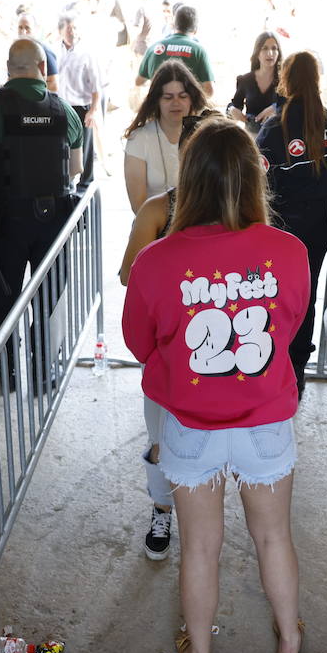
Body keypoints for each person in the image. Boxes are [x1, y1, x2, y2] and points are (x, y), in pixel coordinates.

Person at [121, 117, 310, 653]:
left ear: (189, 180)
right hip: (265, 419)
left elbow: (136, 341)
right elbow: (292, 326)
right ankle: (290, 635)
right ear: (256, 179)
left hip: (191, 425)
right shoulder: (289, 250)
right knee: (274, 536)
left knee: (200, 547)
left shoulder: (157, 259)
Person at [117, 110, 217, 561]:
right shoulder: (160, 209)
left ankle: (200, 515)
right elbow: (128, 273)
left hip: (218, 352)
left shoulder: (245, 216)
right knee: (163, 437)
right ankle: (162, 507)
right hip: (168, 349)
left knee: (208, 434)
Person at [0, 37, 84, 383]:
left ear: (9, 69)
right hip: (54, 220)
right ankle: (44, 370)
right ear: (43, 69)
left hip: (6, 220)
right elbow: (74, 168)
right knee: (49, 295)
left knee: (5, 295)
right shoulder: (65, 110)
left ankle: (8, 369)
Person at [257, 50, 327, 398]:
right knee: (306, 293)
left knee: (271, 295)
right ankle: (296, 370)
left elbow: (262, 181)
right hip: (317, 224)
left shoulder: (273, 128)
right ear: (317, 80)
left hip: (280, 226)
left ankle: (267, 362)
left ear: (284, 80)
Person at [123, 59, 208, 212]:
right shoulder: (139, 139)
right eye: (168, 97)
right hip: (154, 228)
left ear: (192, 99)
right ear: (157, 101)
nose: (176, 103)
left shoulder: (205, 135)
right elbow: (139, 207)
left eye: (182, 96)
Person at [54, 12, 105, 186]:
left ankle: (86, 184)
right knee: (62, 147)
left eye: (75, 28)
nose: (72, 32)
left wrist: (93, 111)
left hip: (82, 108)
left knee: (86, 149)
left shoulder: (87, 53)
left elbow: (96, 87)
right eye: (68, 28)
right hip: (60, 107)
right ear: (60, 31)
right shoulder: (54, 52)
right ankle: (64, 182)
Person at [137, 4, 215, 98]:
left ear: (174, 25)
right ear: (196, 29)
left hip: (158, 108)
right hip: (188, 110)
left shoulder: (154, 47)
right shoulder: (199, 51)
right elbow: (209, 91)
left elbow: (139, 81)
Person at [227, 32, 283, 132]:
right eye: (264, 48)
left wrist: (276, 108)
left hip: (279, 137)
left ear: (279, 53)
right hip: (252, 138)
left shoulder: (284, 80)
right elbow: (234, 105)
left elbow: (295, 104)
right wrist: (232, 110)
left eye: (274, 48)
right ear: (257, 52)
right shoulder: (245, 80)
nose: (270, 53)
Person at [15, 10, 59, 91]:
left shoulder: (45, 51)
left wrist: (29, 88)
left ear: (35, 29)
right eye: (20, 27)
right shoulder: (15, 51)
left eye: (27, 28)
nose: (23, 32)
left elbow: (54, 85)